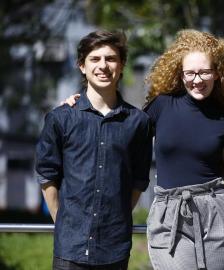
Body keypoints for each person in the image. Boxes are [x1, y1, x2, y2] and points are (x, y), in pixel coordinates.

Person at [62, 29, 224, 270]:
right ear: (180, 74)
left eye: (204, 72)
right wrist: (78, 108)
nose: (197, 79)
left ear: (217, 73)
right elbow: (119, 130)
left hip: (217, 212)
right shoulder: (161, 107)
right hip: (169, 214)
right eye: (190, 73)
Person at [35, 30, 152, 270]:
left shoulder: (138, 122)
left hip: (115, 248)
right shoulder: (61, 118)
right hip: (70, 247)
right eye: (95, 59)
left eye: (110, 59)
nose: (103, 66)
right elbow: (47, 175)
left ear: (121, 66)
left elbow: (139, 180)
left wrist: (115, 218)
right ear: (82, 66)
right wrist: (65, 224)